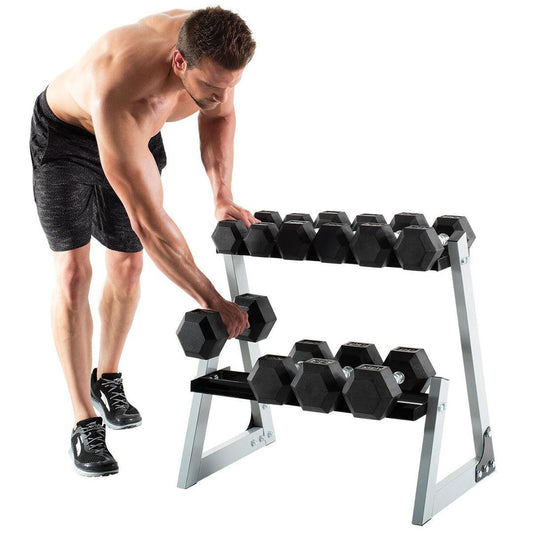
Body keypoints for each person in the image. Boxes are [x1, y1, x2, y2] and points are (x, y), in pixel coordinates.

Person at [30, 6, 259, 477]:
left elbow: (220, 118)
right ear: (179, 62)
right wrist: (214, 300)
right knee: (74, 274)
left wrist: (221, 195)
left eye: (230, 87)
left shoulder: (211, 49)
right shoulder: (122, 86)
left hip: (139, 131)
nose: (221, 98)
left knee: (129, 267)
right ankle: (83, 419)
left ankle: (106, 377)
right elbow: (151, 225)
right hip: (69, 139)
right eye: (212, 90)